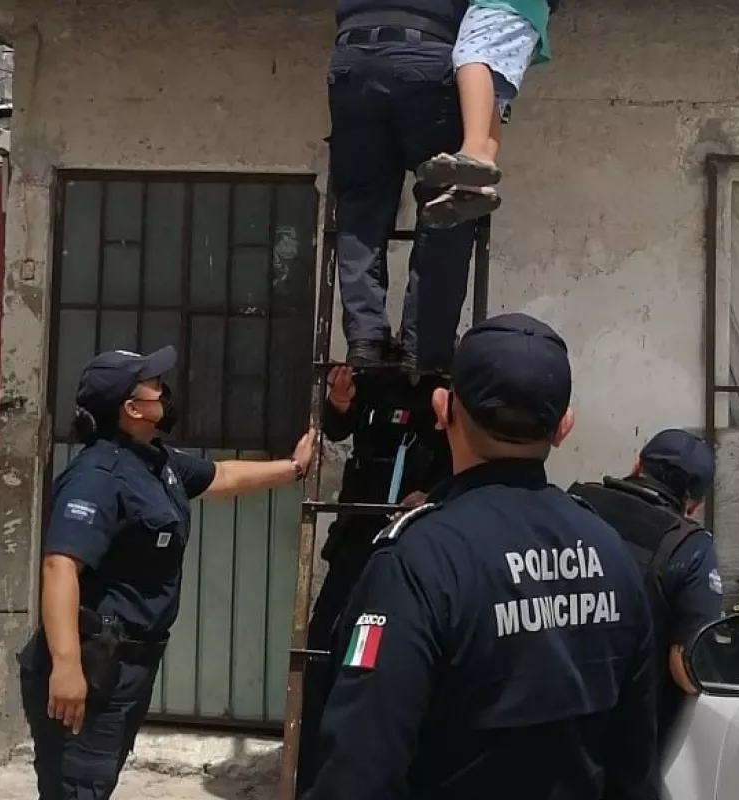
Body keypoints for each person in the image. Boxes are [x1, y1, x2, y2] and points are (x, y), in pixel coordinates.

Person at [304, 313, 659, 800]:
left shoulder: (416, 562)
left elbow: (356, 776)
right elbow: (635, 769)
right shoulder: (612, 553)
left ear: (442, 408)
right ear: (563, 427)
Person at [18, 347, 315, 800]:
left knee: (95, 785)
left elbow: (221, 476)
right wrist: (66, 667)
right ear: (131, 408)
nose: (165, 390)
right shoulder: (98, 476)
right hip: (92, 667)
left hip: (129, 665)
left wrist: (293, 468)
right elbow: (60, 567)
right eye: (154, 384)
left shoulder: (156, 461)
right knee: (77, 789)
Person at [295, 364, 451, 796]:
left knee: (393, 661)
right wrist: (339, 403)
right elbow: (339, 427)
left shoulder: (453, 386)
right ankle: (311, 775)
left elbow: (468, 464)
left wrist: (434, 495)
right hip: (358, 539)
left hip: (416, 542)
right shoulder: (377, 380)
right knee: (322, 649)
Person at [329, 0, 482, 375]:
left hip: (351, 59)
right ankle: (424, 347)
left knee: (360, 208)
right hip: (427, 54)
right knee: (448, 204)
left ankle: (365, 339)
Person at [568, 429, 724, 746]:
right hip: (621, 739)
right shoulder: (689, 547)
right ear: (693, 503)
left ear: (638, 465)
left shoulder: (572, 503)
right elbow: (686, 667)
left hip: (543, 716)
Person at [416, 0, 560, 228]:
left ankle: (474, 152)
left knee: (472, 59)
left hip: (502, 5)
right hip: (521, 11)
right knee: (488, 95)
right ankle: (472, 186)